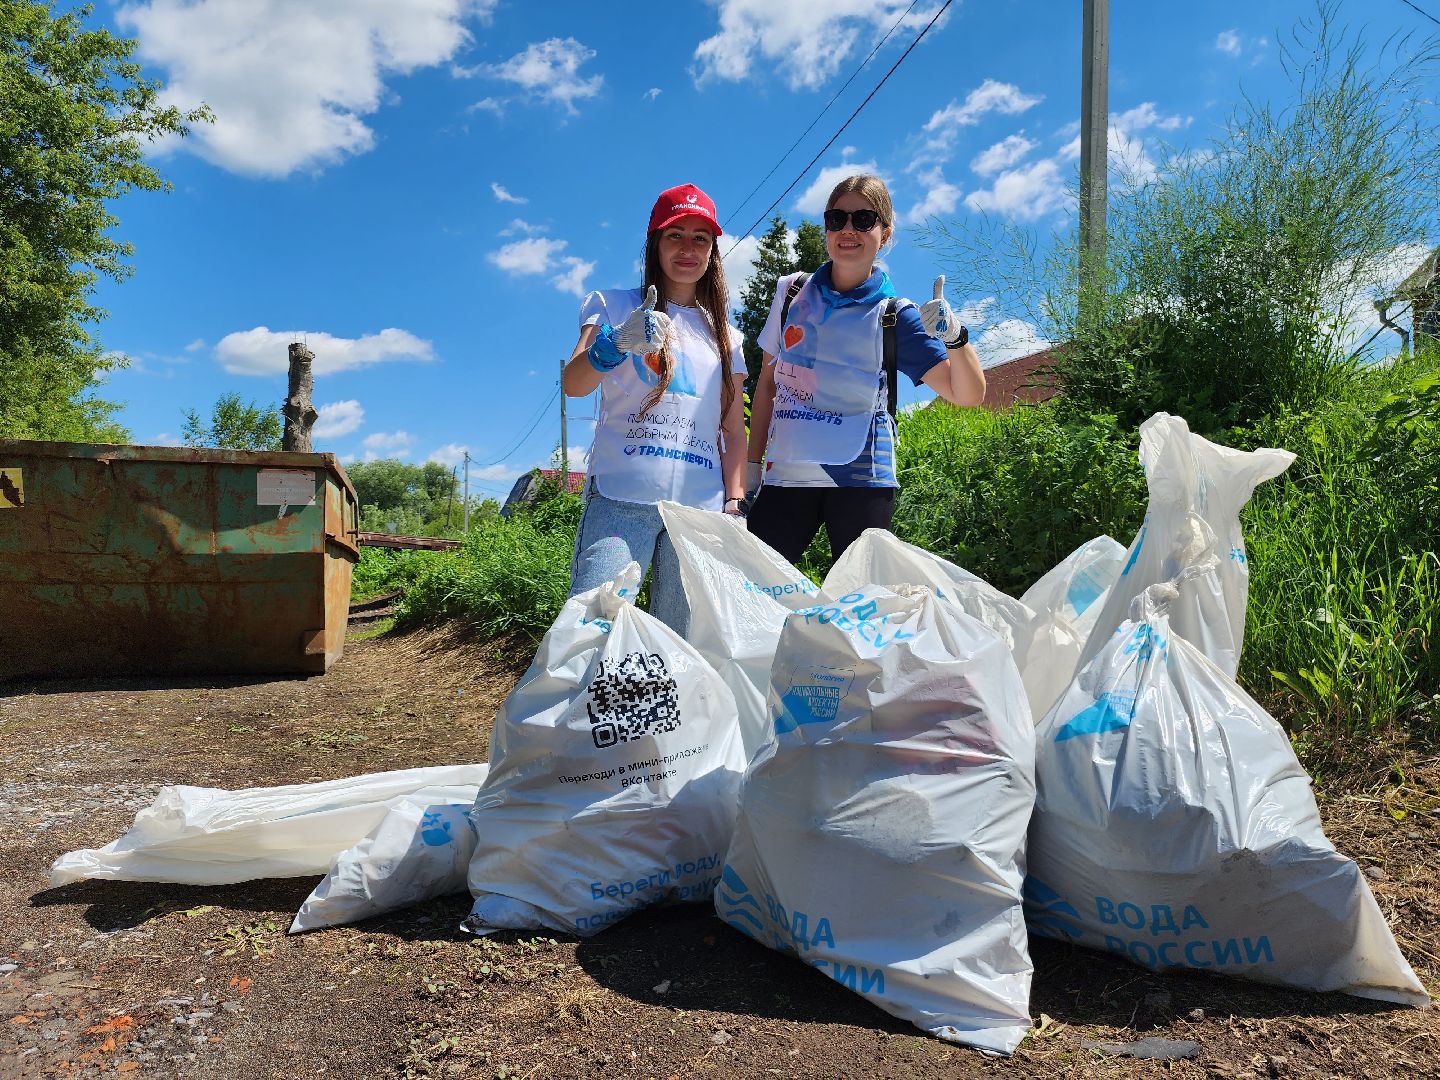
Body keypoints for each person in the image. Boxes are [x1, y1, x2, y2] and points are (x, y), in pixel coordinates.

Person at [744, 174, 985, 564]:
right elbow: (767, 384)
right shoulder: (791, 293)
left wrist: (956, 338)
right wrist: (751, 468)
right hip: (787, 474)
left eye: (863, 219)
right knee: (751, 593)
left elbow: (968, 395)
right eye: (836, 219)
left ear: (885, 233)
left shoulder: (896, 316)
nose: (848, 230)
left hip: (862, 479)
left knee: (857, 607)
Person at [561, 182, 748, 633]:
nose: (688, 248)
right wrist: (616, 342)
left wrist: (737, 502)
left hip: (698, 511)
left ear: (713, 250)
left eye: (700, 238)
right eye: (675, 235)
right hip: (622, 496)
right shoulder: (613, 305)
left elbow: (732, 429)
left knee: (682, 638)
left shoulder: (727, 334)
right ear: (654, 243)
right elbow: (574, 384)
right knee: (591, 627)